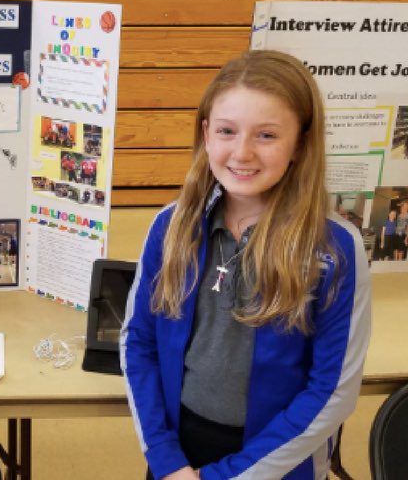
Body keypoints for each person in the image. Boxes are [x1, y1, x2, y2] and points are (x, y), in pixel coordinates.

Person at [120, 50, 371, 480]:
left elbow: (333, 390)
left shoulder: (336, 248)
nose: (242, 152)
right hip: (179, 455)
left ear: (301, 143)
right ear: (206, 133)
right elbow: (137, 342)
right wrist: (166, 459)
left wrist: (229, 475)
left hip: (276, 460)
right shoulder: (172, 225)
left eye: (267, 135)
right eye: (227, 131)